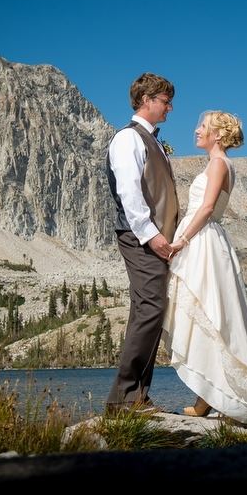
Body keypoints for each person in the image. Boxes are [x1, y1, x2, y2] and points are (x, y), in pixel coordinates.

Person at [162, 110, 247, 425]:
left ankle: (221, 398)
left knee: (209, 318)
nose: (196, 130)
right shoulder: (226, 165)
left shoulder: (216, 164)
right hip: (210, 240)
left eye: (203, 127)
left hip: (201, 242)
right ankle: (207, 397)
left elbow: (208, 207)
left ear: (217, 135)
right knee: (212, 319)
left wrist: (180, 240)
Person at [104, 73, 178, 413]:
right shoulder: (127, 140)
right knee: (150, 309)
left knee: (150, 310)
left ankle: (136, 396)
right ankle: (125, 399)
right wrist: (152, 236)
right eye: (164, 101)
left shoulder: (153, 141)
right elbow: (129, 193)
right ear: (146, 100)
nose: (169, 107)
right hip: (140, 238)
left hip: (153, 238)